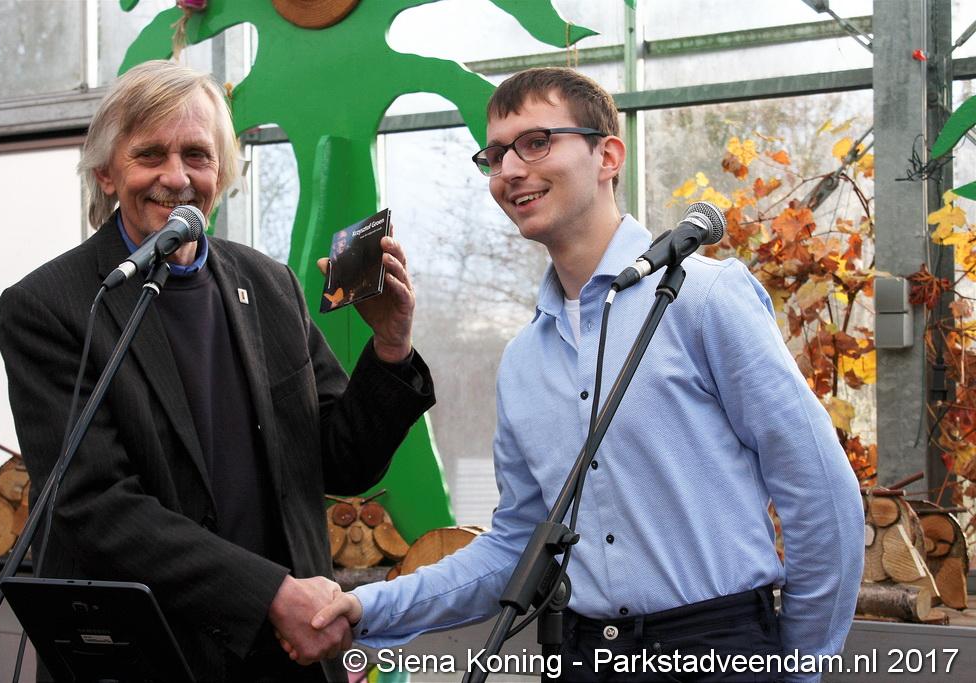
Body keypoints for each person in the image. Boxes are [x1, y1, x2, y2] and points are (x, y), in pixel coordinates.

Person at [310, 68, 865, 682]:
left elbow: (820, 494)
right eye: (495, 155)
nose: (509, 170)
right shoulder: (524, 361)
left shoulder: (704, 299)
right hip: (582, 657)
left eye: (536, 142)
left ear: (608, 156)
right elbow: (515, 547)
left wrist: (799, 666)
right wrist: (367, 607)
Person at [0, 60, 434, 683]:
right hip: (150, 655)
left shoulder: (270, 284)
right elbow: (94, 504)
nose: (176, 177)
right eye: (150, 154)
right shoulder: (53, 305)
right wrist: (269, 594)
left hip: (287, 656)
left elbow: (343, 463)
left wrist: (390, 346)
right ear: (106, 172)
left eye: (197, 156)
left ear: (222, 174)